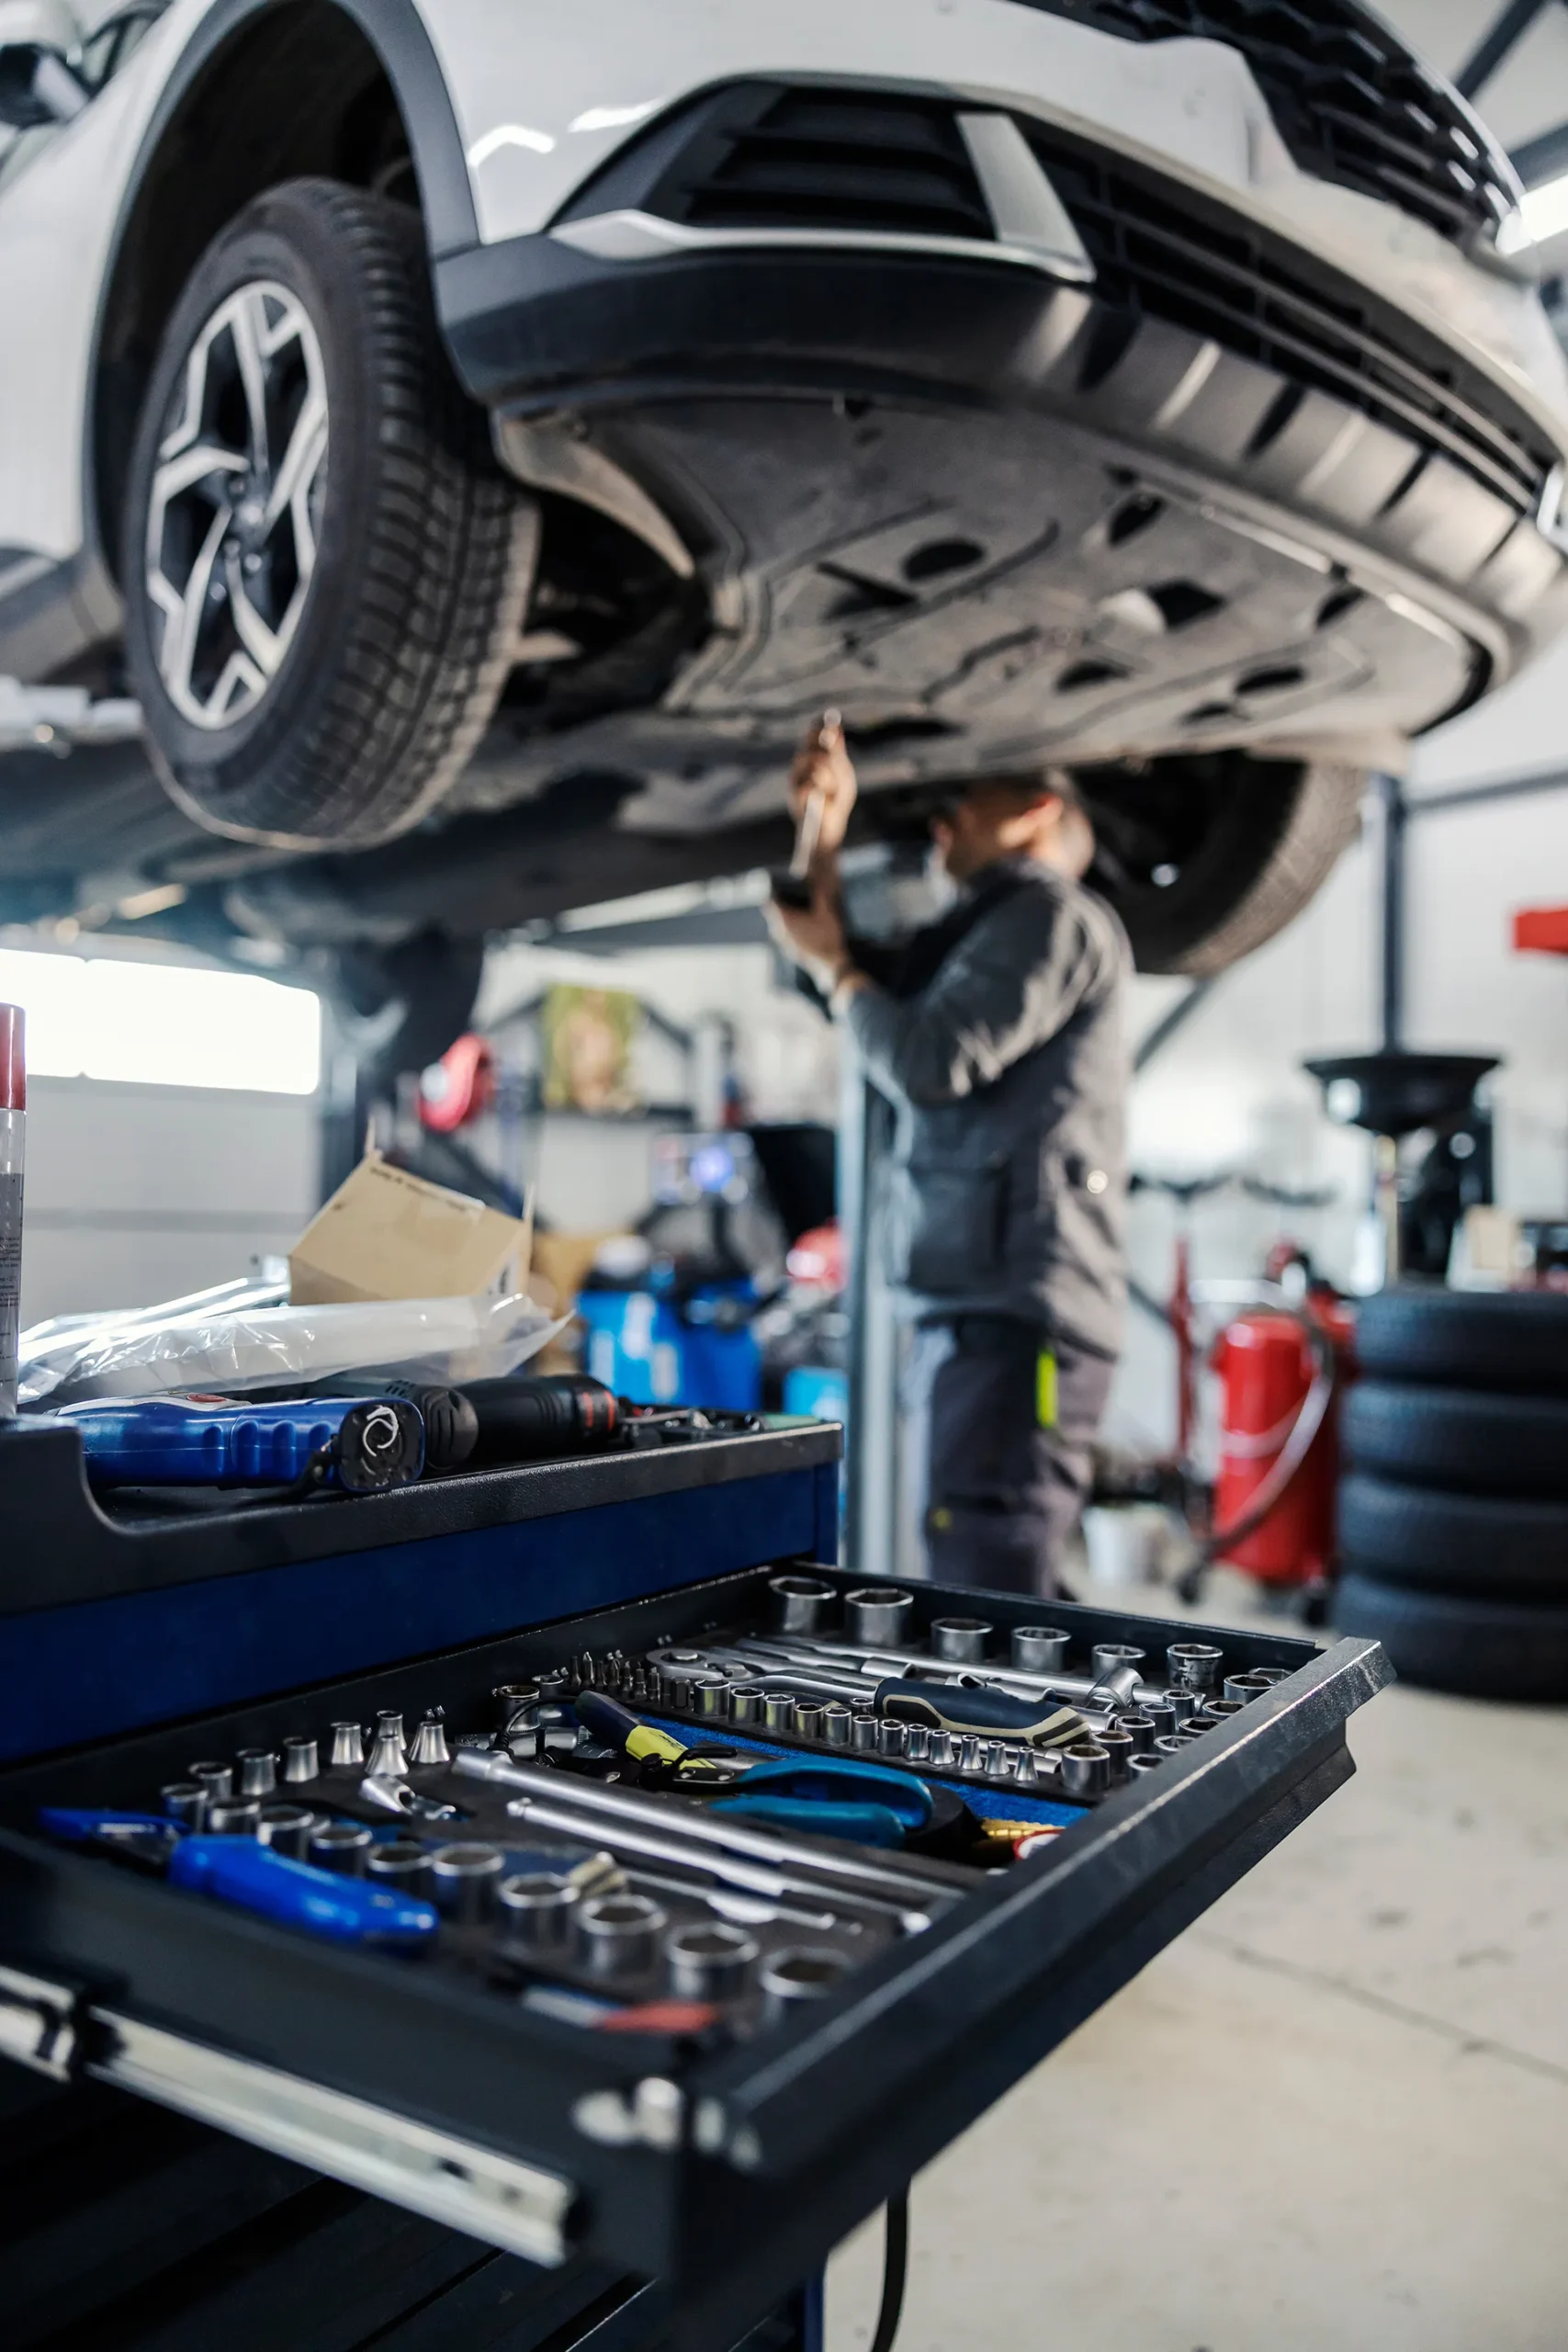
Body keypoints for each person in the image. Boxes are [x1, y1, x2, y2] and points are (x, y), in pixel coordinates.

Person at [768, 719, 1130, 1597]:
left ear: (1036, 811)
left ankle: (1023, 1734)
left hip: (1015, 1319)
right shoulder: (986, 930)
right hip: (986, 1309)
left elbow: (926, 1059)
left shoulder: (1047, 916)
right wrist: (821, 824)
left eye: (970, 799)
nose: (945, 818)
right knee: (993, 1566)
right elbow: (818, 953)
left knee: (988, 1581)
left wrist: (841, 976)